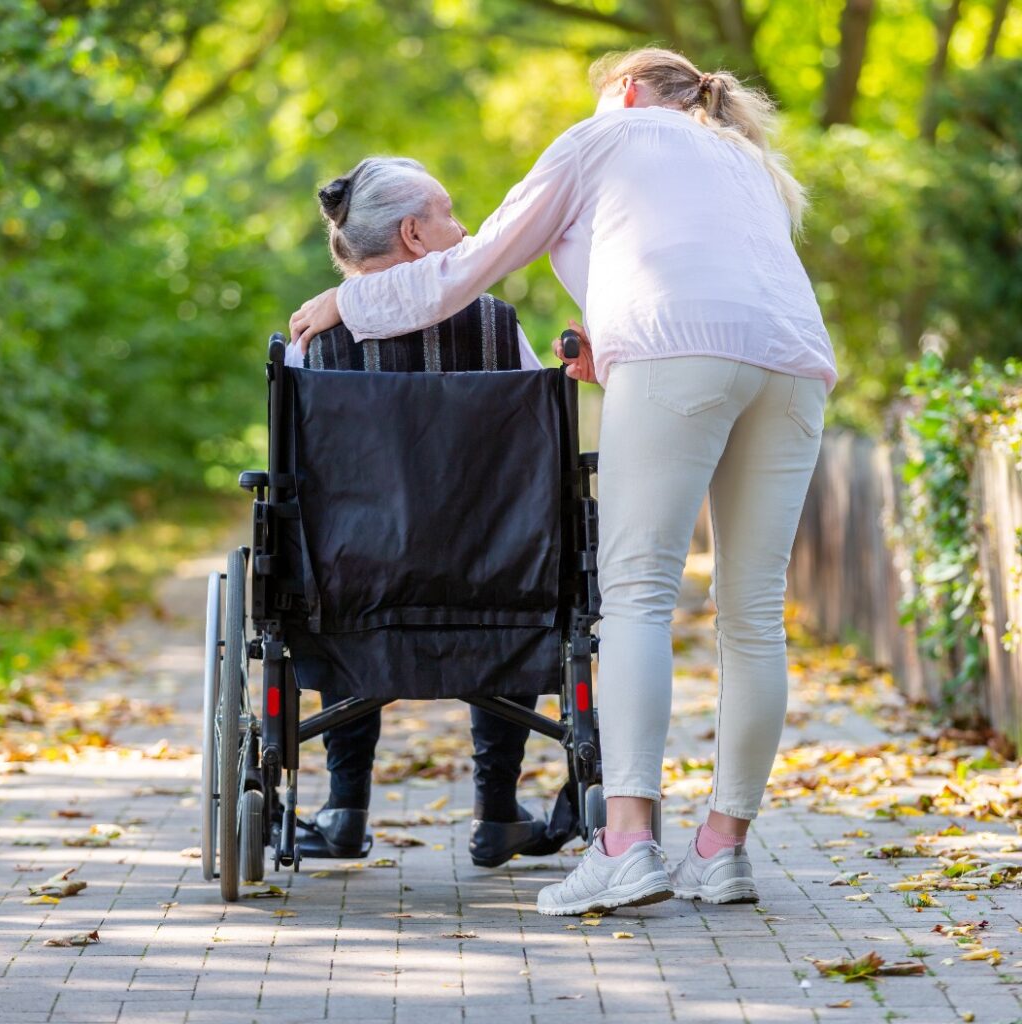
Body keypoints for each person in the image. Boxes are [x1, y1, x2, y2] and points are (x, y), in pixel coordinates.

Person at [289, 48, 837, 916]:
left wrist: (343, 306)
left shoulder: (600, 137)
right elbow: (719, 298)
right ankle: (724, 849)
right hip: (797, 364)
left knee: (638, 596)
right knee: (753, 612)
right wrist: (613, 357)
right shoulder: (744, 161)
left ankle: (625, 846)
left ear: (622, 92)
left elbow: (465, 273)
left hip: (678, 355)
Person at [286, 156, 571, 869]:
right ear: (414, 236)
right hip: (498, 585)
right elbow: (542, 462)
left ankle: (343, 810)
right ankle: (498, 811)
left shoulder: (314, 341)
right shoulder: (501, 330)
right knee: (507, 537)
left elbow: (300, 483)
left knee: (335, 543)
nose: (466, 227)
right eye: (449, 214)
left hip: (353, 589)